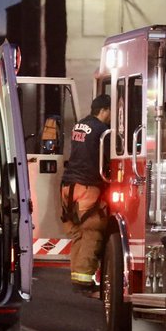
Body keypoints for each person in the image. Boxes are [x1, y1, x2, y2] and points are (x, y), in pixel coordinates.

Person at [62, 93, 112, 294]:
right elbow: (109, 157)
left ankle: (77, 276)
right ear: (104, 110)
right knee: (92, 231)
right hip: (87, 187)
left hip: (68, 186)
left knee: (78, 232)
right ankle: (84, 281)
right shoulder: (103, 131)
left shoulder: (79, 125)